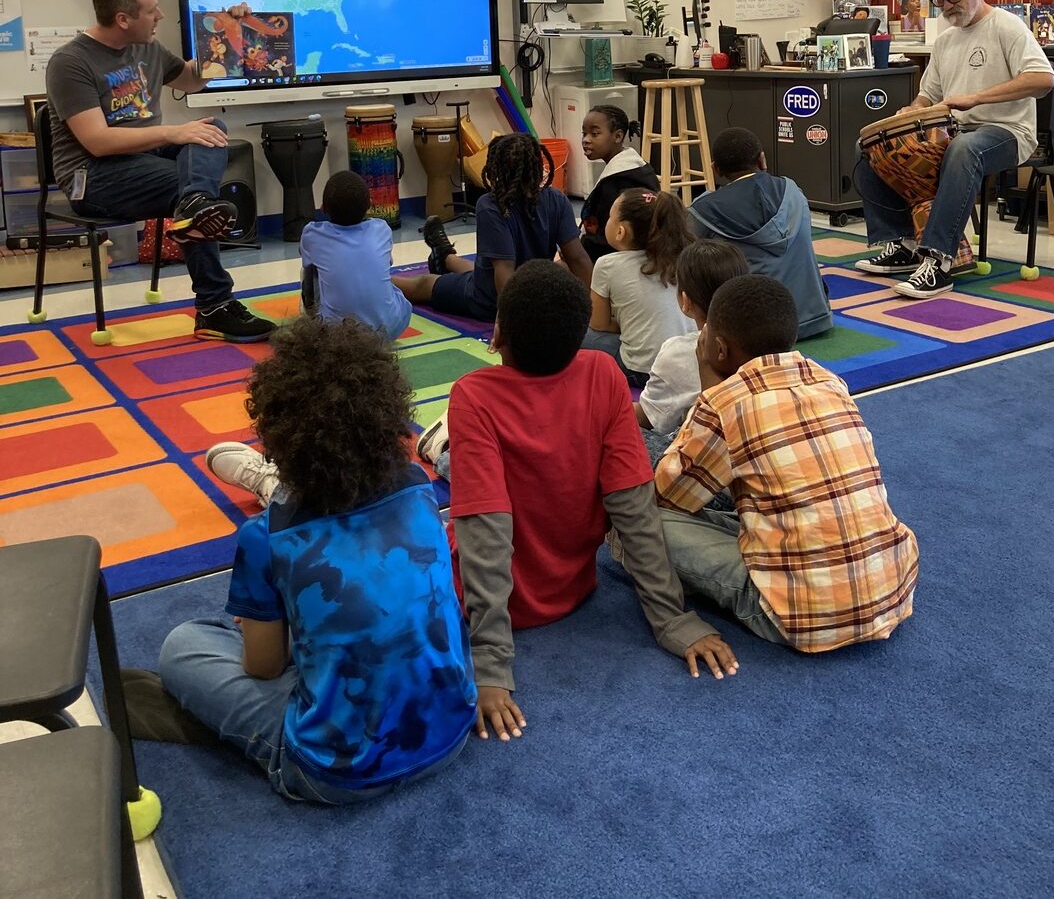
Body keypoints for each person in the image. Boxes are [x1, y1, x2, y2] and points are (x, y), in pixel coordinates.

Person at [157, 318, 476, 801]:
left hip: (334, 775)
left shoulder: (265, 538)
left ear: (279, 437)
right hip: (452, 732)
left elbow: (264, 667)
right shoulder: (418, 486)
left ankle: (272, 491)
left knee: (183, 645)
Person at [448, 260, 738, 743]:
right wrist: (671, 617)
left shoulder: (473, 396)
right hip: (575, 591)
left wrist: (489, 665)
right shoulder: (603, 373)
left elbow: (486, 531)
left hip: (489, 601)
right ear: (580, 335)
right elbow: (634, 509)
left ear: (497, 334)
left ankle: (437, 445)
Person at [654, 274, 919, 651]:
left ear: (720, 347)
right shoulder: (830, 381)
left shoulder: (724, 401)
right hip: (892, 588)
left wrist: (709, 384)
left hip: (798, 614)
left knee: (638, 524)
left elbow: (669, 497)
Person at [44, 0, 272, 342]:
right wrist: (172, 131)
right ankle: (214, 305)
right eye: (152, 11)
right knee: (192, 188)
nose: (160, 16)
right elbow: (97, 141)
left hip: (144, 157)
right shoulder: (70, 62)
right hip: (93, 176)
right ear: (123, 19)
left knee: (211, 130)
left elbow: (191, 79)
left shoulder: (145, 47)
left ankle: (195, 206)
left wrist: (230, 33)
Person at [854, 0, 1053, 298]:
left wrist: (976, 98)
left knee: (964, 150)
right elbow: (927, 97)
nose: (946, 6)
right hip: (954, 131)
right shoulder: (945, 41)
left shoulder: (1007, 27)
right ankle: (902, 243)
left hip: (1006, 132)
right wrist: (910, 111)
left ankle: (939, 260)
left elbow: (1043, 79)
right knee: (869, 148)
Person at [394, 132, 591, 322]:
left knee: (425, 283)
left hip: (489, 300)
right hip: (520, 290)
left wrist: (507, 322)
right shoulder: (557, 198)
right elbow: (578, 258)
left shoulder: (490, 205)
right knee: (478, 271)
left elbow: (504, 271)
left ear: (495, 170)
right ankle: (444, 257)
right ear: (538, 166)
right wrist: (591, 305)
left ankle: (384, 279)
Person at [685, 127, 832, 341]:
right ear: (762, 160)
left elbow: (680, 258)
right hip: (814, 317)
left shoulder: (703, 209)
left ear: (715, 169)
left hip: (751, 331)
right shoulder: (792, 190)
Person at [635, 238, 748, 439]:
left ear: (685, 301)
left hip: (708, 451)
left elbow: (650, 417)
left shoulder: (677, 351)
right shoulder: (763, 339)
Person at [586, 188, 695, 385]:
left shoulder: (606, 265)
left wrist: (631, 323)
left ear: (620, 232)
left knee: (585, 335)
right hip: (689, 362)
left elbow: (599, 324)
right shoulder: (684, 257)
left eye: (610, 217)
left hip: (641, 371)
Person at [297, 169, 410, 340]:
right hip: (390, 329)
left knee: (310, 270)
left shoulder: (311, 234)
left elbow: (308, 265)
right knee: (380, 277)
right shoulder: (382, 229)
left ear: (323, 208)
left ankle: (313, 322)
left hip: (336, 336)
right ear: (369, 205)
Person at [578, 104, 660, 262]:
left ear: (617, 136)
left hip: (620, 257)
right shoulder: (640, 167)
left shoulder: (616, 183)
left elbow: (608, 238)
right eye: (584, 133)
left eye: (594, 134)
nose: (586, 140)